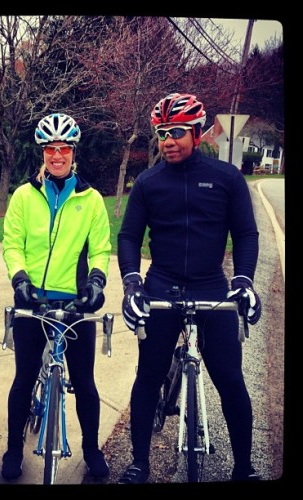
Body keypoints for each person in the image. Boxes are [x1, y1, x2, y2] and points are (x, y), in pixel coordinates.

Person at [117, 93, 262, 484]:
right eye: (162, 133)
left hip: (211, 286)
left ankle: (244, 467)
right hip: (161, 286)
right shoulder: (148, 182)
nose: (168, 140)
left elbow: (246, 233)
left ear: (196, 134)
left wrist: (244, 280)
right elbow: (129, 237)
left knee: (231, 379)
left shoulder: (227, 178)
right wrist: (132, 283)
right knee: (147, 376)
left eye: (177, 132)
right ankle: (139, 463)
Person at [1, 113, 112, 481]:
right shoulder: (23, 195)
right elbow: (12, 244)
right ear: (43, 153)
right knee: (23, 377)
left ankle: (92, 450)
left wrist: (97, 282)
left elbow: (100, 248)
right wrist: (19, 280)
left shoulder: (91, 199)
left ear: (73, 153)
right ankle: (14, 449)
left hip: (75, 303)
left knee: (84, 382)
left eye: (63, 148)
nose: (57, 155)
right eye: (50, 149)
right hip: (31, 300)